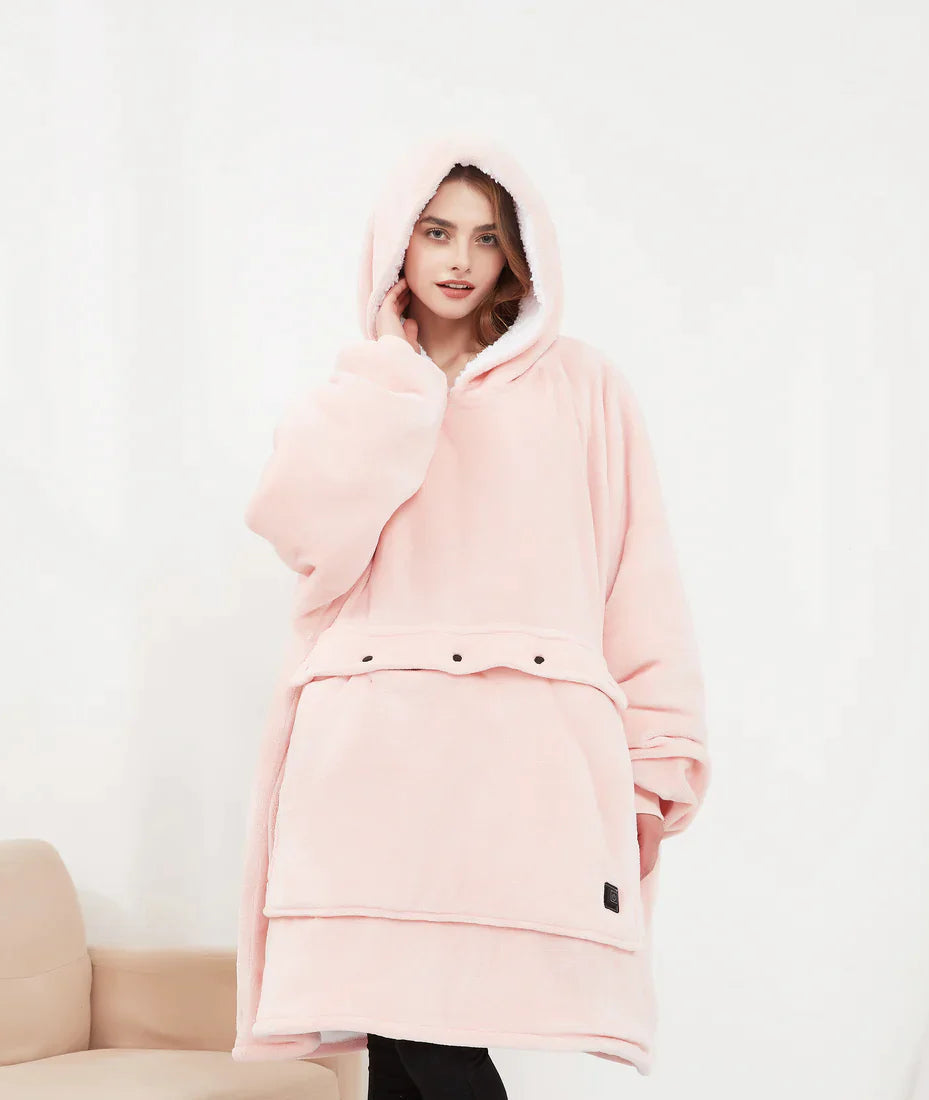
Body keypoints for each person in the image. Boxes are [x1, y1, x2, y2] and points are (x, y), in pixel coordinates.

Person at [232, 132, 711, 1093]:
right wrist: (400, 391)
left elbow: (638, 581)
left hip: (518, 763)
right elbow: (303, 541)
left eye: (486, 237)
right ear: (397, 245)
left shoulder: (584, 388)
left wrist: (655, 765)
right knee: (401, 1035)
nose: (459, 259)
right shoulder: (357, 392)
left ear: (517, 253)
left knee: (436, 1034)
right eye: (436, 231)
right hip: (369, 756)